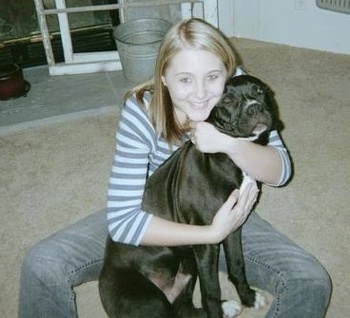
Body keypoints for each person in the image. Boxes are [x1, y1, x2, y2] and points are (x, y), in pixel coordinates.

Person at [19, 18, 331, 317]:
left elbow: (281, 171)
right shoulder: (141, 112)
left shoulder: (241, 92)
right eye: (185, 79)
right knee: (42, 262)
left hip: (228, 208)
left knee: (310, 280)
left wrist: (229, 144)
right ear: (164, 79)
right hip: (154, 212)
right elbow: (124, 222)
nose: (200, 93)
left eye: (212, 77)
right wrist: (211, 234)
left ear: (229, 72)